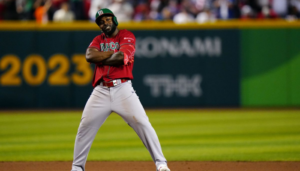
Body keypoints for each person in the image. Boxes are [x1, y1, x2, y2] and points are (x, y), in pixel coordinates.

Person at [70, 8, 170, 171]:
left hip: (122, 89)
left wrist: (102, 56)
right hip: (100, 91)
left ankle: (161, 163)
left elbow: (120, 58)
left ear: (114, 19)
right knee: (85, 126)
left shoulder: (126, 35)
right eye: (101, 21)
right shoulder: (97, 39)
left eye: (107, 19)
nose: (105, 23)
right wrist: (113, 53)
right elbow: (89, 56)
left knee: (142, 123)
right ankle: (77, 167)